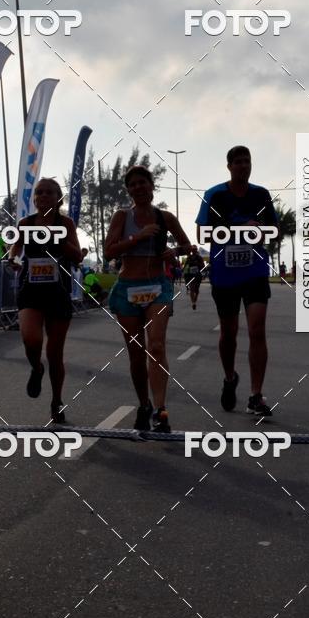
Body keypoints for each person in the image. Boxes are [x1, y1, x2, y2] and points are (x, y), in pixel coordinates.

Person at [104, 165, 191, 433]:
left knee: (156, 346)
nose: (139, 188)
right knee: (135, 353)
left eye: (143, 183)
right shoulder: (121, 216)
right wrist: (137, 237)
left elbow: (187, 245)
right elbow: (108, 251)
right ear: (128, 190)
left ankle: (160, 409)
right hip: (128, 287)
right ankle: (144, 404)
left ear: (152, 186)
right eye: (133, 184)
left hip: (157, 287)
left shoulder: (165, 217)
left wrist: (174, 251)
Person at [196, 145, 278, 417]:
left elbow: (274, 231)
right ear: (229, 166)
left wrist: (259, 230)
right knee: (228, 334)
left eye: (248, 161)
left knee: (257, 330)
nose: (244, 166)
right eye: (239, 162)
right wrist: (236, 229)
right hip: (225, 273)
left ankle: (256, 395)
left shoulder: (261, 195)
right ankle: (230, 377)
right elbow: (202, 234)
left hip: (254, 271)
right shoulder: (215, 195)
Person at [8, 178, 83, 422]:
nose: (43, 196)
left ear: (58, 198)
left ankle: (56, 401)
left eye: (49, 192)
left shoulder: (66, 223)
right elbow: (15, 248)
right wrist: (13, 259)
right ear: (34, 198)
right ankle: (36, 368)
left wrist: (58, 238)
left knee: (54, 353)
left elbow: (77, 256)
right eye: (39, 192)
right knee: (31, 340)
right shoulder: (25, 223)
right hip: (30, 290)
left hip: (58, 292)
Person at [183, 245, 205, 310]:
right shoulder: (189, 257)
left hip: (198, 275)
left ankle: (195, 300)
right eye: (193, 250)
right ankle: (193, 303)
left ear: (196, 250)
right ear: (191, 251)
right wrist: (184, 271)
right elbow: (185, 266)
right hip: (190, 275)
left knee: (197, 290)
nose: (194, 251)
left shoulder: (200, 258)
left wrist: (198, 264)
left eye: (195, 249)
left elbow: (203, 266)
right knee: (192, 289)